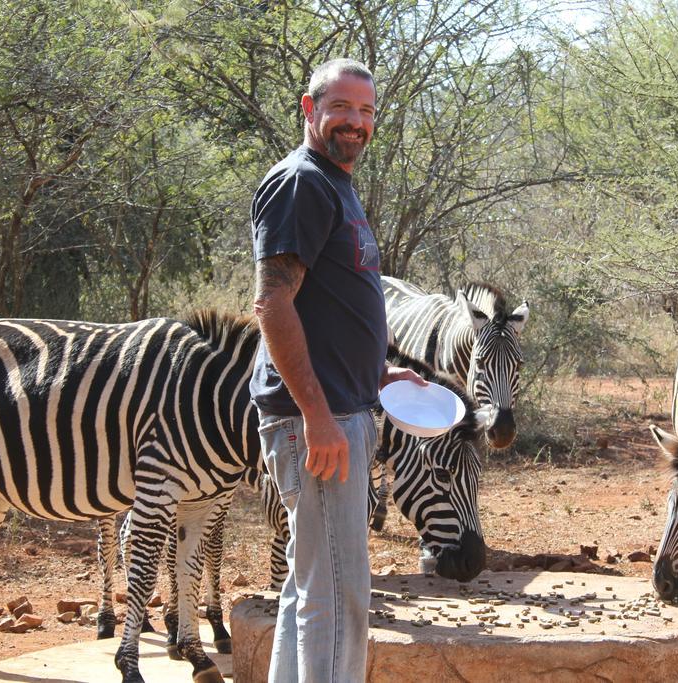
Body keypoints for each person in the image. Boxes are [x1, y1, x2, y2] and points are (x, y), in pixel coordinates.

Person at [251, 58, 424, 682]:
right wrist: (317, 416)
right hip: (317, 423)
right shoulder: (302, 182)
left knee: (313, 587)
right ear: (309, 109)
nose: (356, 122)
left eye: (367, 111)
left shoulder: (336, 184)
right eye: (342, 108)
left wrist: (378, 376)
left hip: (342, 409)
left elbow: (326, 309)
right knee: (339, 595)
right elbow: (273, 302)